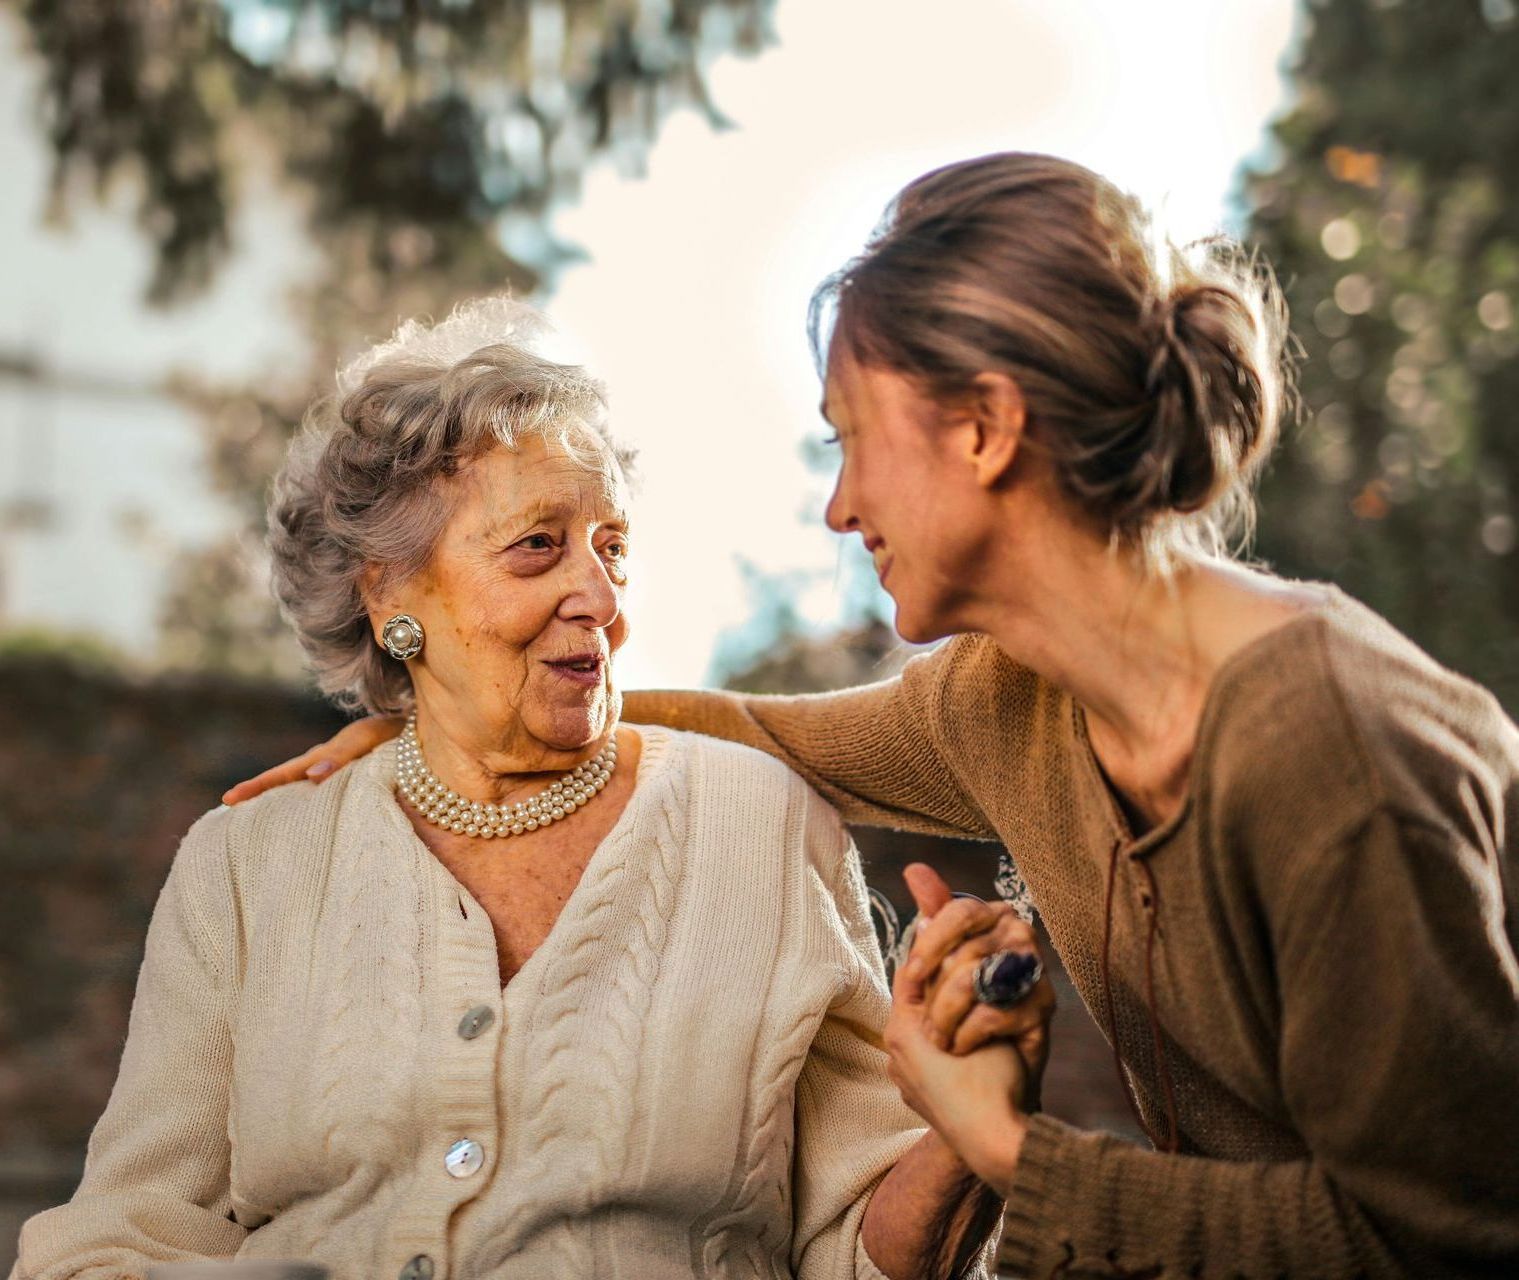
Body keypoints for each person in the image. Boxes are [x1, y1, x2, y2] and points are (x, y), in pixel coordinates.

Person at [236, 154, 1519, 1277]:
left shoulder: (1326, 749)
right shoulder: (1010, 699)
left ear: (984, 428)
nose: (841, 506)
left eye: (852, 437)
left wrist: (1005, 1145)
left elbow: (1439, 1234)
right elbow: (767, 733)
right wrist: (457, 718)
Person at [12, 299, 1011, 1280]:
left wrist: (968, 1131)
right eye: (538, 544)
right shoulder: (246, 863)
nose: (603, 597)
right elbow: (120, 1236)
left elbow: (859, 1253)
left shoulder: (762, 825)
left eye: (611, 547)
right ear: (389, 591)